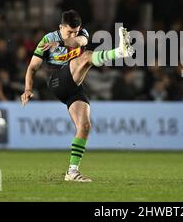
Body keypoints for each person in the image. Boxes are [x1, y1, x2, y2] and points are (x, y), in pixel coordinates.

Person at [21, 10, 133, 182]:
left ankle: (72, 172)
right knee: (86, 57)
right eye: (69, 31)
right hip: (57, 81)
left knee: (85, 125)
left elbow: (78, 41)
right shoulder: (47, 39)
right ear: (60, 27)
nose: (73, 34)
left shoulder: (79, 35)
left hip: (74, 86)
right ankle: (120, 52)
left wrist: (63, 41)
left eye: (76, 30)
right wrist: (28, 89)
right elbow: (32, 68)